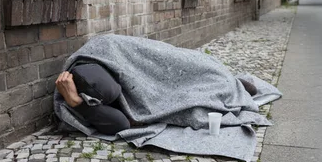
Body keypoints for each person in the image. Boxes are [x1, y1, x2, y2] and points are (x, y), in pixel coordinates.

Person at [55, 63, 258, 135]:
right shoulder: (102, 96)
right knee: (191, 96)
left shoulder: (95, 67)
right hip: (107, 84)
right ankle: (229, 85)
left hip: (130, 70)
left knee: (194, 74)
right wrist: (75, 102)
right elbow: (119, 123)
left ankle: (228, 81)